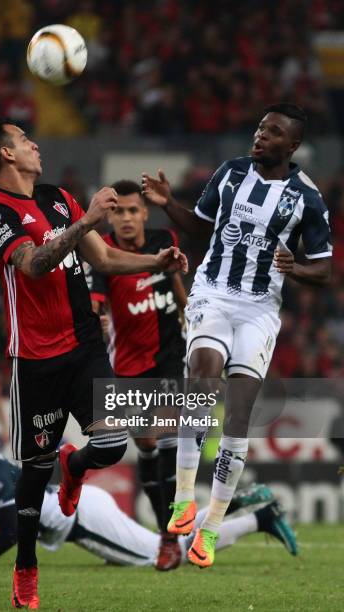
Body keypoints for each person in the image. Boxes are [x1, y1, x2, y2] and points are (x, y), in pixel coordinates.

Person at [0, 118, 187, 608]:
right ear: (6, 155)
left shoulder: (57, 197)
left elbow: (106, 259)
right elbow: (33, 264)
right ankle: (26, 567)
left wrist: (158, 263)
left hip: (85, 349)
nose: (34, 144)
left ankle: (77, 465)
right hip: (36, 361)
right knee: (33, 470)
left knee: (111, 446)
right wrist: (87, 219)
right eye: (24, 140)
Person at [142, 103, 332, 568]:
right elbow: (202, 232)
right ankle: (184, 500)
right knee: (203, 379)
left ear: (292, 145)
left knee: (239, 416)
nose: (260, 136)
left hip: (260, 309)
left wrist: (299, 269)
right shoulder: (230, 173)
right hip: (213, 291)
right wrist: (169, 205)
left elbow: (325, 268)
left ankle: (210, 528)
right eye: (259, 128)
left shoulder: (307, 197)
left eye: (271, 133)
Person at [0, 418, 298, 572]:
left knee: (174, 556)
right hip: (83, 509)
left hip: (82, 519)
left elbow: (13, 532)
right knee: (167, 541)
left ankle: (260, 517)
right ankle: (235, 503)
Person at [86, 179, 186, 570]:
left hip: (168, 355)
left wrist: (190, 313)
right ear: (110, 216)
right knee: (145, 446)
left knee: (168, 433)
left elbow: (176, 279)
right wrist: (100, 321)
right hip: (127, 364)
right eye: (118, 211)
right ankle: (167, 531)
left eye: (132, 210)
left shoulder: (163, 237)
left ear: (144, 212)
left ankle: (170, 537)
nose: (126, 218)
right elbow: (95, 302)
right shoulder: (103, 252)